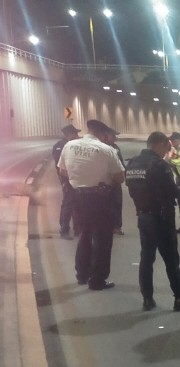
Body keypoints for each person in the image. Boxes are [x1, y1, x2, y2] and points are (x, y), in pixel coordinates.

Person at [125, 132, 180, 312]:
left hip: (143, 217)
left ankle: (147, 299)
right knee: (171, 261)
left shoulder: (132, 164)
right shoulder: (160, 165)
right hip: (162, 219)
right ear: (158, 144)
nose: (167, 150)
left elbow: (131, 189)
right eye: (166, 146)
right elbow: (172, 191)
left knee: (146, 259)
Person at [57, 119, 124, 290]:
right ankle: (97, 280)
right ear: (102, 134)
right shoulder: (107, 150)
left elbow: (63, 171)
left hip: (77, 197)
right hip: (100, 198)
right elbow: (120, 177)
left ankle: (82, 274)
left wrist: (80, 176)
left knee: (84, 234)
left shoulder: (69, 145)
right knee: (102, 239)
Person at [52, 124, 81, 238]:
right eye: (75, 134)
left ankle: (77, 228)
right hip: (66, 178)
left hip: (74, 177)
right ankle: (64, 229)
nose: (77, 136)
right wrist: (65, 179)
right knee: (68, 202)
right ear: (69, 135)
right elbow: (60, 165)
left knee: (76, 202)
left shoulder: (72, 145)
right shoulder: (60, 146)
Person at [102, 127, 126, 235]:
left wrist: (123, 174)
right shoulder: (102, 148)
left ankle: (117, 226)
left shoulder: (116, 147)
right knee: (106, 205)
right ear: (106, 136)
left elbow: (121, 163)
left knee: (117, 203)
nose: (115, 138)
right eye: (113, 136)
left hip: (116, 180)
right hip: (106, 182)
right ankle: (107, 226)